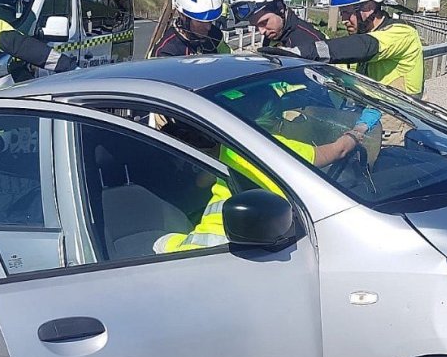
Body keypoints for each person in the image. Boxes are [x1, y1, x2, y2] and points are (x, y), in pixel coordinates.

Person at [153, 107, 380, 253]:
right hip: (282, 238)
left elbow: (199, 184)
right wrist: (362, 126)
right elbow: (339, 150)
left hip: (210, 248)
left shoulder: (210, 168)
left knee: (157, 244)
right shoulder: (275, 149)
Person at [267, 0, 424, 97]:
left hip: (401, 127)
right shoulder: (365, 36)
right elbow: (339, 61)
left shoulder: (403, 34)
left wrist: (303, 51)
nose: (343, 19)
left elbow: (366, 46)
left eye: (348, 13)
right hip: (373, 122)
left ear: (368, 7)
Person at [232, 0, 326, 50]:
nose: (261, 31)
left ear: (279, 7)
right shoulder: (275, 35)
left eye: (264, 22)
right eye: (256, 26)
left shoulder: (309, 42)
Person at [151, 0, 230, 57]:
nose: (208, 27)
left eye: (210, 21)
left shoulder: (215, 35)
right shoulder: (166, 51)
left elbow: (229, 61)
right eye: (200, 21)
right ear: (183, 16)